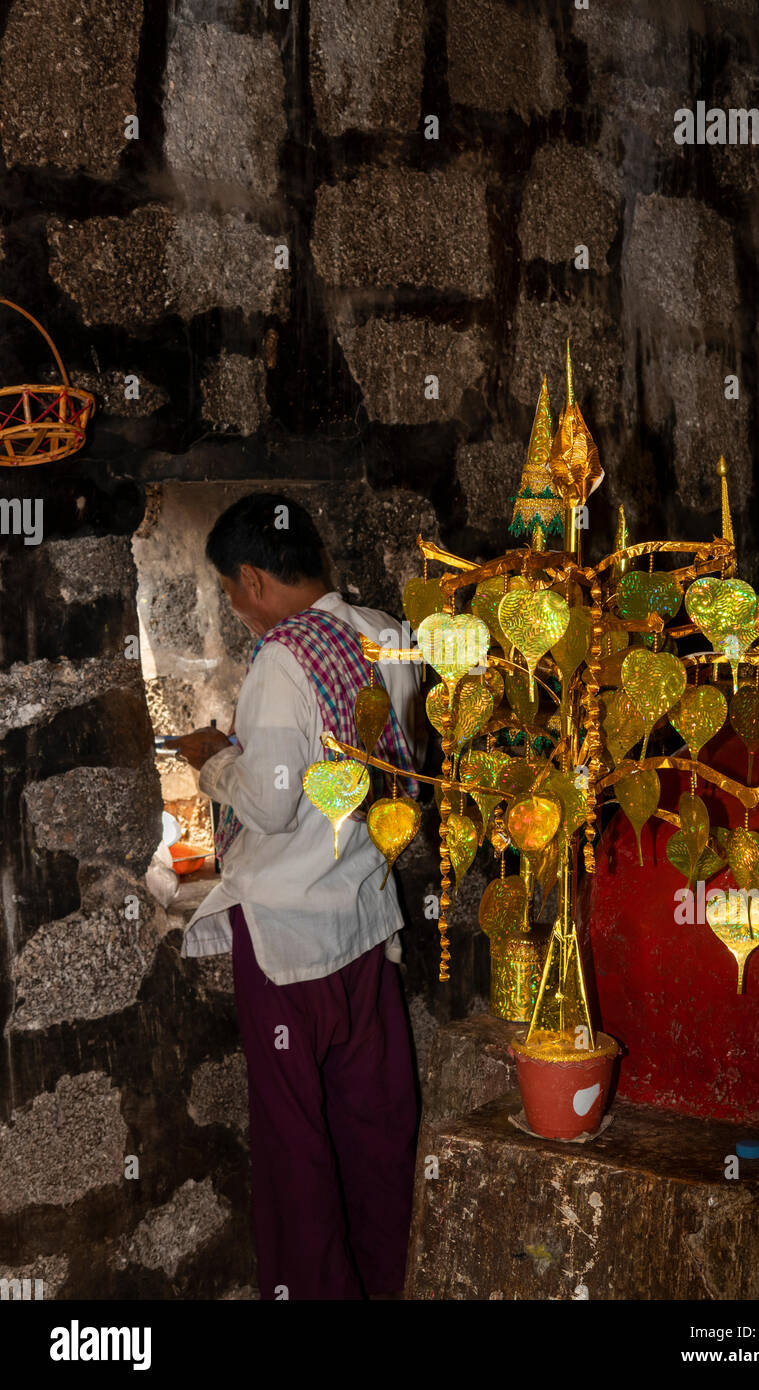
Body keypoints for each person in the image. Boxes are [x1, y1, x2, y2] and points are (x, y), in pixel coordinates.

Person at [166, 491, 426, 1301]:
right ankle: (384, 1284)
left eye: (228, 593)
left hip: (286, 940)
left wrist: (213, 756)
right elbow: (362, 762)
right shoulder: (384, 633)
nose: (236, 611)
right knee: (375, 1132)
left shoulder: (282, 656)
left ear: (251, 579)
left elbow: (273, 803)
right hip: (363, 923)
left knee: (297, 1150)